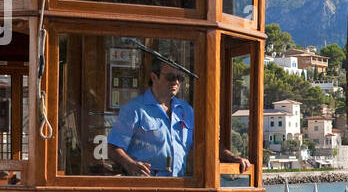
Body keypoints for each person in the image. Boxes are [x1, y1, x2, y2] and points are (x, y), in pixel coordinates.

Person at [107, 55, 251, 177]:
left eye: (179, 78)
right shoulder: (134, 109)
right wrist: (131, 165)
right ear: (154, 77)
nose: (176, 82)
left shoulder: (186, 110)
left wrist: (233, 158)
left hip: (179, 186)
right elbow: (113, 147)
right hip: (146, 186)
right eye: (170, 77)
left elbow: (207, 143)